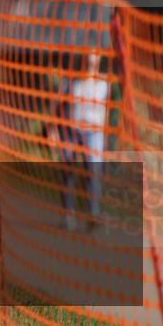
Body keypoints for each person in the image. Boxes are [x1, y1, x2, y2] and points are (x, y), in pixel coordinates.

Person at [57, 52, 109, 231]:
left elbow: (110, 111)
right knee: (68, 171)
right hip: (73, 131)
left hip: (94, 133)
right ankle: (68, 215)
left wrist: (108, 137)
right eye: (89, 55)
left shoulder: (104, 83)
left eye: (94, 55)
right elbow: (61, 107)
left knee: (93, 174)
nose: (91, 59)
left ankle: (93, 215)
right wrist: (55, 130)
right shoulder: (73, 81)